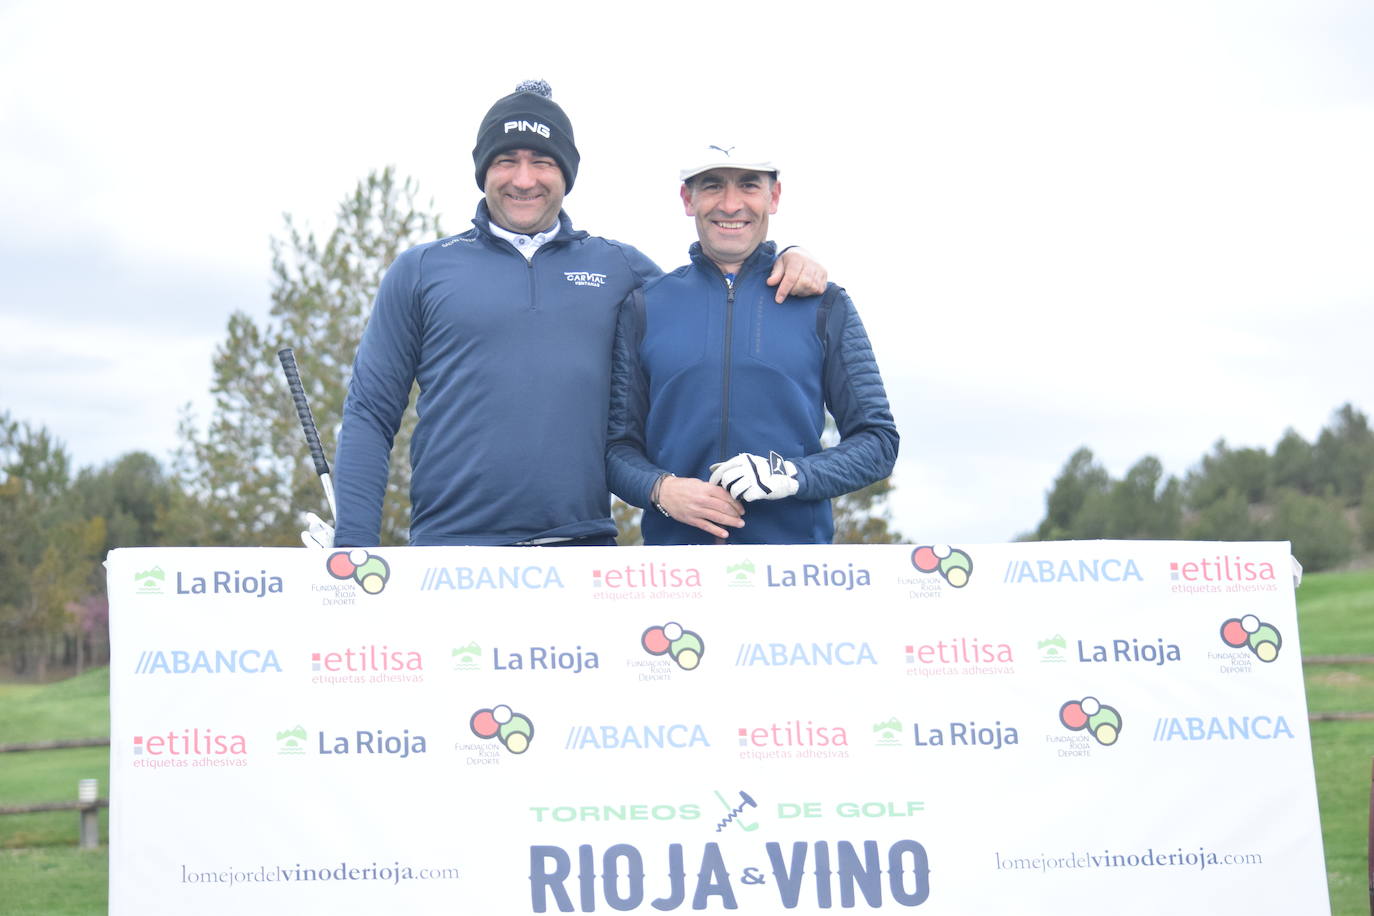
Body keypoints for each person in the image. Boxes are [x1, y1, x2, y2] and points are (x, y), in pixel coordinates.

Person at [325, 82, 826, 548]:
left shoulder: (620, 268)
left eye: (542, 161)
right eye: (506, 160)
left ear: (566, 172)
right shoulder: (421, 269)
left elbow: (715, 298)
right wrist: (353, 545)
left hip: (584, 552)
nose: (524, 179)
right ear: (483, 170)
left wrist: (786, 255)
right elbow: (370, 412)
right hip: (449, 547)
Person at [606, 145, 898, 545]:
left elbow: (878, 442)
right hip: (675, 575)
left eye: (748, 185)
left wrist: (792, 475)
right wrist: (660, 488)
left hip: (795, 573)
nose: (730, 204)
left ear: (773, 197)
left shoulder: (824, 304)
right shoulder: (644, 305)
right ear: (687, 199)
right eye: (712, 186)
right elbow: (617, 448)